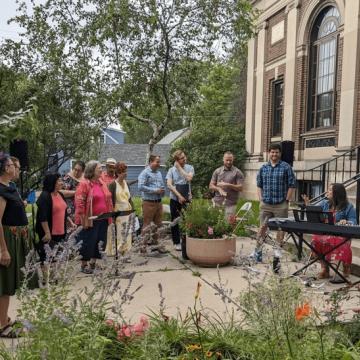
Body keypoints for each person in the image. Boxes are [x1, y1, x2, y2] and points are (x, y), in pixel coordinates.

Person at [0, 154, 34, 338]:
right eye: (13, 165)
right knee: (4, 284)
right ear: (6, 168)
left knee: (8, 283)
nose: (16, 167)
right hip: (6, 239)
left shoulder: (9, 188)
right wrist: (3, 249)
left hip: (14, 237)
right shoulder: (1, 190)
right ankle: (2, 326)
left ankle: (4, 318)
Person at [302, 183, 357, 280]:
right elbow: (314, 213)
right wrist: (308, 206)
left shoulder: (348, 207)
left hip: (341, 234)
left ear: (337, 193)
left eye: (330, 190)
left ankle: (345, 266)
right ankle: (325, 269)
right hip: (326, 233)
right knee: (316, 241)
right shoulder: (325, 203)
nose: (328, 192)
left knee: (339, 242)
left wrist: (347, 221)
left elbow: (354, 221)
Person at [256, 143, 296, 272]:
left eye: (277, 152)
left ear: (280, 153)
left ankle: (277, 252)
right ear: (269, 153)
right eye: (272, 152)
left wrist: (287, 200)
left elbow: (292, 184)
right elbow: (259, 184)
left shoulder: (286, 167)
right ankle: (258, 251)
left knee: (280, 230)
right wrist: (261, 199)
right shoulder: (263, 168)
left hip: (280, 204)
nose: (274, 154)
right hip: (266, 204)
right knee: (262, 228)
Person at [75, 160, 113, 274]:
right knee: (88, 242)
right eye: (99, 168)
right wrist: (83, 220)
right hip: (90, 219)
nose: (101, 170)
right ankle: (83, 265)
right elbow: (80, 202)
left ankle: (93, 263)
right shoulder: (84, 183)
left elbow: (108, 198)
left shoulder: (101, 182)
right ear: (92, 170)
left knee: (100, 241)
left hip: (103, 218)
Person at [35, 173, 75, 265]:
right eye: (59, 181)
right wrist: (47, 233)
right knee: (47, 259)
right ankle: (47, 279)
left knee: (57, 258)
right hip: (49, 234)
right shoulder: (45, 196)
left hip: (61, 232)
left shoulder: (60, 194)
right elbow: (43, 217)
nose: (62, 183)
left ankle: (55, 278)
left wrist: (70, 222)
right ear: (52, 183)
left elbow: (63, 210)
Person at [166, 150, 194, 251]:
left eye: (184, 157)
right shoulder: (171, 170)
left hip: (187, 198)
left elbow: (189, 178)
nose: (185, 159)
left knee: (188, 220)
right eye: (182, 158)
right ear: (177, 160)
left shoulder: (190, 167)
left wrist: (179, 168)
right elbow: (169, 184)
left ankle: (188, 241)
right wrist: (179, 196)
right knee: (175, 220)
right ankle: (176, 242)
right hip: (175, 198)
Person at [106, 162, 135, 256]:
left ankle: (126, 252)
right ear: (118, 173)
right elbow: (110, 201)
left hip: (128, 212)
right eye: (123, 171)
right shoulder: (112, 185)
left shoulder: (126, 183)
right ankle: (118, 251)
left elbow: (129, 198)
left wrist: (133, 211)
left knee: (128, 233)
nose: (125, 173)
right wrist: (112, 216)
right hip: (118, 213)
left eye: (126, 171)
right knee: (119, 234)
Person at [138, 155, 165, 249]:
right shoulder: (145, 173)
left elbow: (161, 186)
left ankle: (156, 245)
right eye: (157, 162)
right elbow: (140, 186)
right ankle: (142, 247)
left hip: (158, 202)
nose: (159, 164)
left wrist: (162, 191)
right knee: (147, 225)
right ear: (150, 162)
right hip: (148, 202)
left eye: (159, 162)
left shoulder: (159, 173)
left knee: (158, 225)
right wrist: (155, 190)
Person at [209, 151, 244, 218]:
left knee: (227, 226)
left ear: (233, 159)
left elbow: (240, 188)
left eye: (230, 160)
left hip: (230, 204)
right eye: (227, 160)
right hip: (217, 202)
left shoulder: (237, 172)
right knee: (213, 224)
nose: (228, 162)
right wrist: (218, 189)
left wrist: (227, 185)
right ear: (223, 159)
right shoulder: (217, 171)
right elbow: (211, 186)